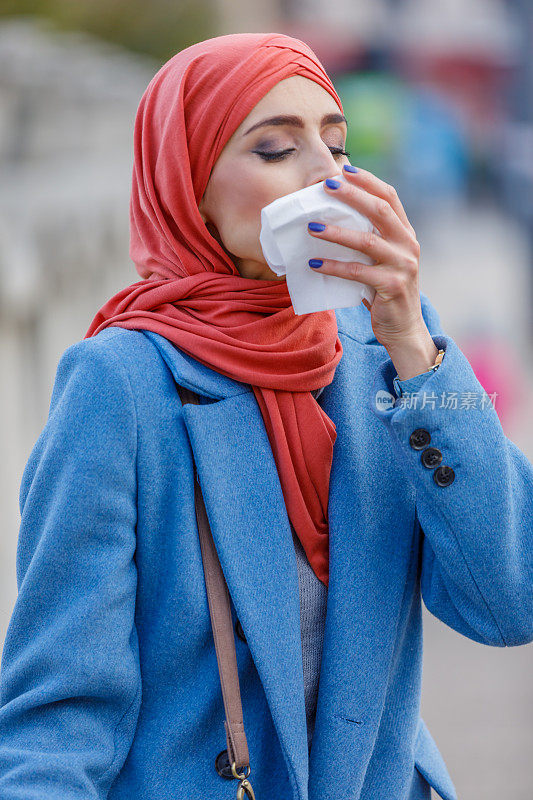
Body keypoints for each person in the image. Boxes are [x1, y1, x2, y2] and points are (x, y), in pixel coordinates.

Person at [0, 31, 531, 800]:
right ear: (190, 184)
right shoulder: (120, 383)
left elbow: (506, 599)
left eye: (338, 143)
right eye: (276, 148)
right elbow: (59, 714)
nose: (328, 173)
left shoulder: (386, 349)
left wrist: (417, 346)